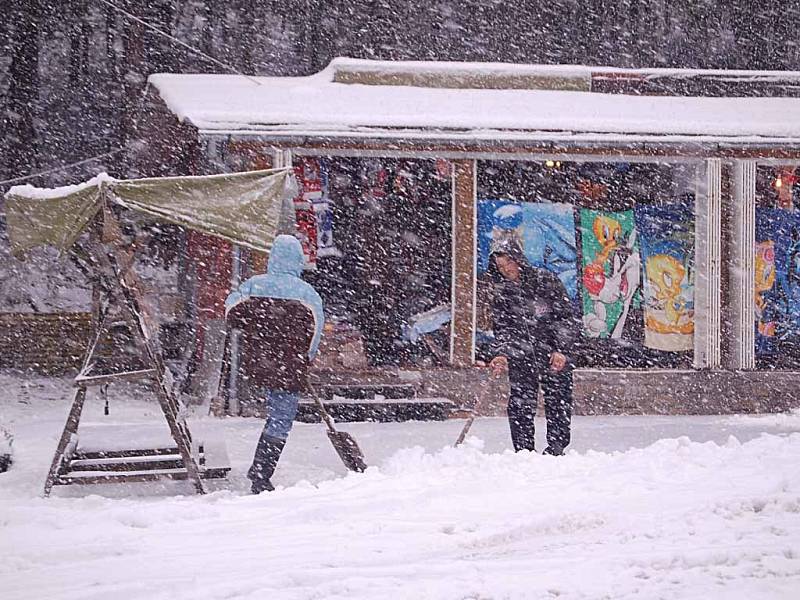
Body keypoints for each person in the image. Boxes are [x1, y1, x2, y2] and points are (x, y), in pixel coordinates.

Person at [225, 234, 324, 493]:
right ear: (298, 260)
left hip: (259, 362)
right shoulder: (307, 294)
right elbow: (315, 333)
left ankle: (259, 470)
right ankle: (261, 474)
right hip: (289, 366)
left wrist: (258, 328)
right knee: (281, 418)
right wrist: (306, 358)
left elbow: (232, 316)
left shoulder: (253, 286)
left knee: (276, 414)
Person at [485, 241, 580, 455]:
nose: (506, 269)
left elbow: (565, 318)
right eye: (500, 267)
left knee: (558, 401)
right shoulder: (503, 293)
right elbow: (502, 327)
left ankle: (556, 449)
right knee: (520, 403)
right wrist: (500, 353)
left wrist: (561, 349)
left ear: (518, 260)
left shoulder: (545, 281)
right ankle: (524, 452)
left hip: (553, 354)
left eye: (508, 263)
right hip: (521, 354)